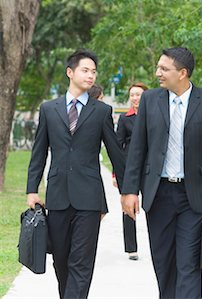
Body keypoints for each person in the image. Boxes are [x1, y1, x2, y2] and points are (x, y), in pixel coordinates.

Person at [121, 47, 202, 299]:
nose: (158, 73)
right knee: (163, 263)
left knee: (189, 264)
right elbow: (138, 148)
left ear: (182, 73)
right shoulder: (150, 100)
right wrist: (129, 191)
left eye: (164, 69)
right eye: (158, 67)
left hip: (194, 196)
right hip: (159, 194)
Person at [26, 49, 125, 299]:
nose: (90, 75)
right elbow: (39, 152)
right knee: (60, 261)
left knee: (81, 263)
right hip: (58, 196)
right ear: (70, 72)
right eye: (85, 70)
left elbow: (115, 153)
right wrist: (31, 190)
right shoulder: (49, 109)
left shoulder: (102, 111)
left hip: (89, 199)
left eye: (93, 71)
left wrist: (128, 191)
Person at [114, 82, 148, 260]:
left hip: (150, 169)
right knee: (128, 208)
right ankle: (131, 248)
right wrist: (115, 173)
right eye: (132, 95)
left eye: (139, 95)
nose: (135, 98)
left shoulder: (153, 115)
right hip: (129, 169)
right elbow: (118, 147)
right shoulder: (125, 119)